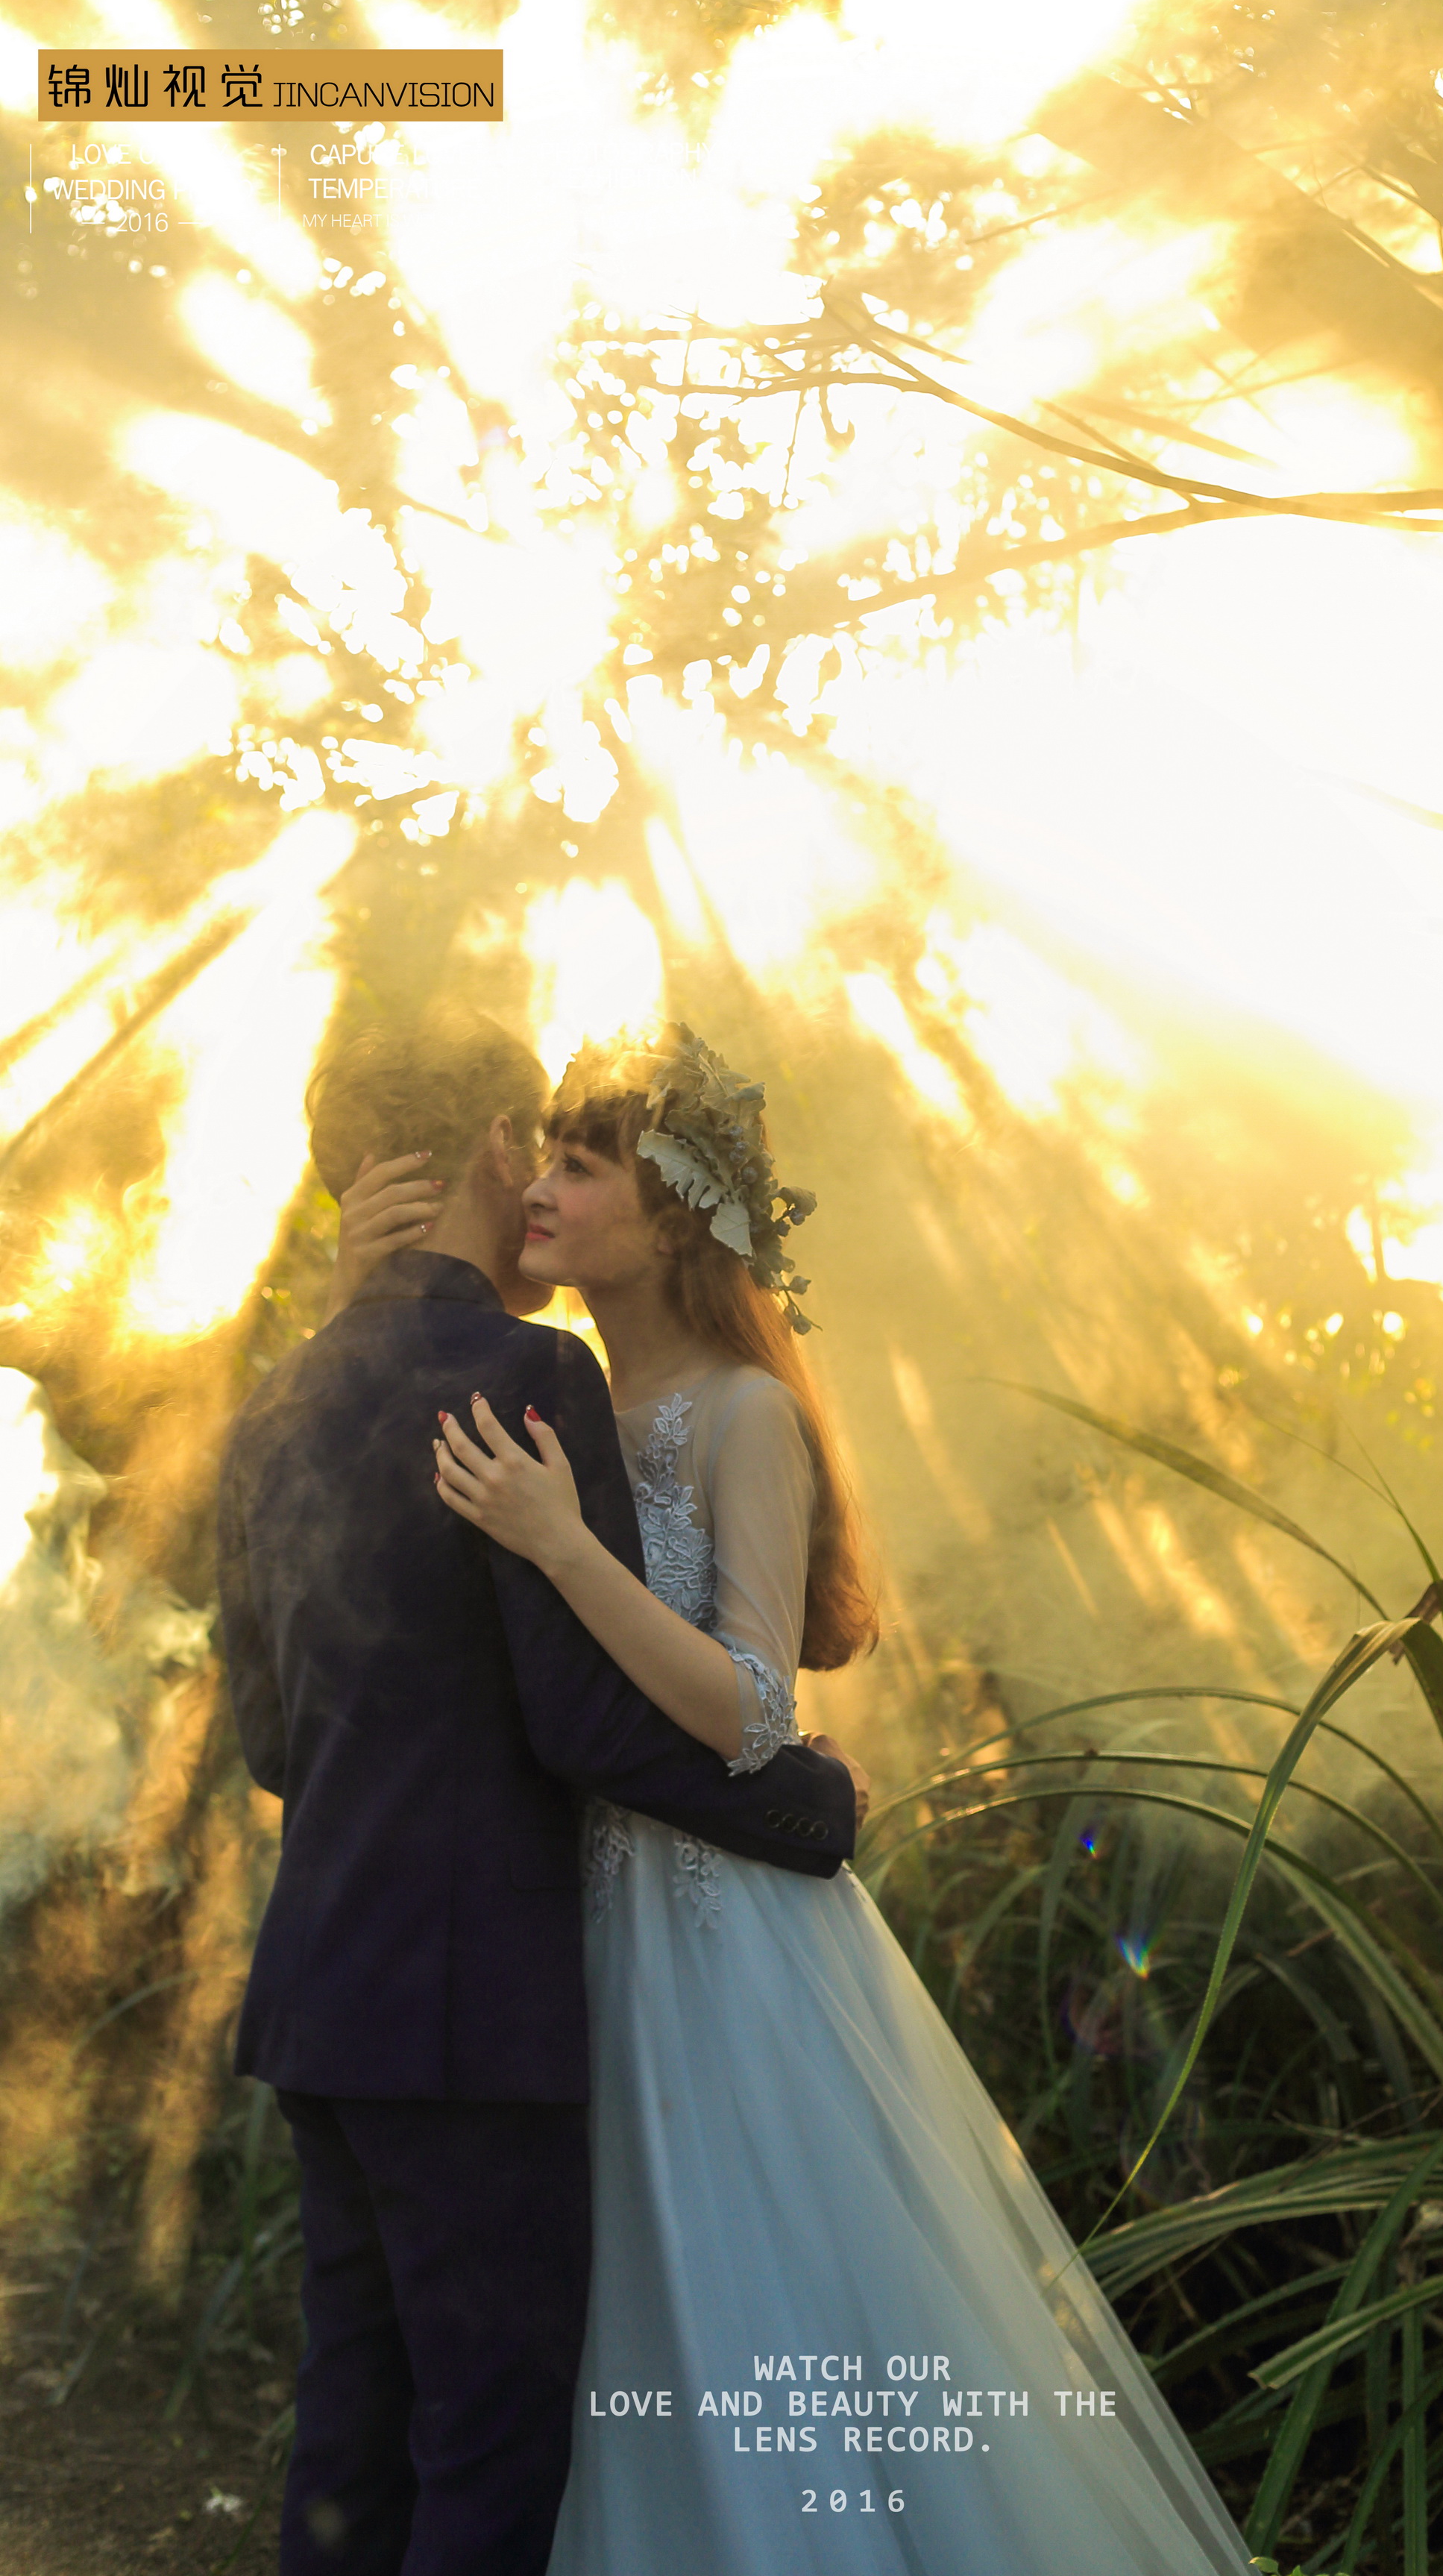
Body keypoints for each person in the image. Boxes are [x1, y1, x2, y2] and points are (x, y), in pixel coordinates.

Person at [339, 1020, 1254, 2575]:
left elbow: (756, 1708)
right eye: (540, 1156)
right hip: (575, 1924)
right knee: (608, 2320)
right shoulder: (557, 1395)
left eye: (579, 1164)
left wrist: (564, 1546)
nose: (538, 1186)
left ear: (677, 1217)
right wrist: (371, 1286)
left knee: (742, 2304)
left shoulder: (744, 1416)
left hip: (718, 1937)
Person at [218, 1002, 865, 2576]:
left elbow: (274, 1747)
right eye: (539, 1145)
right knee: (490, 2455)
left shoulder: (277, 1410)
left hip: (326, 1998)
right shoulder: (529, 1378)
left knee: (348, 2440)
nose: (546, 1184)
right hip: (473, 2017)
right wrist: (802, 1808)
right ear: (490, 1146)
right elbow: (578, 1720)